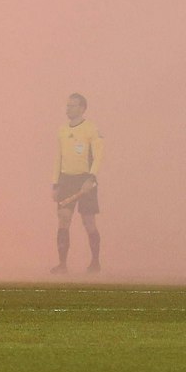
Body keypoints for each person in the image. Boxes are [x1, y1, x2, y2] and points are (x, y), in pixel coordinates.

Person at [52, 92, 104, 275]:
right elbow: (58, 158)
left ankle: (95, 262)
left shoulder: (91, 129)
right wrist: (55, 184)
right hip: (66, 180)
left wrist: (91, 178)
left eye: (72, 105)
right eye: (67, 105)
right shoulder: (62, 130)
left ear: (82, 108)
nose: (68, 109)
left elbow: (99, 156)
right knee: (63, 219)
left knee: (88, 222)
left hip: (85, 180)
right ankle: (62, 264)